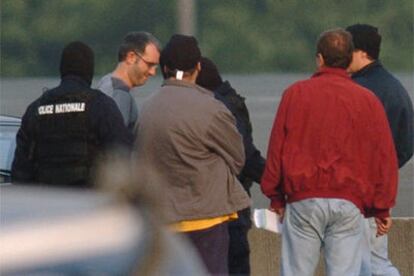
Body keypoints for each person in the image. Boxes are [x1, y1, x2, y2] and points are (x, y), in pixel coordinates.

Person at [260, 29, 398, 276]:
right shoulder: (368, 100)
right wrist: (382, 207)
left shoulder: (295, 94)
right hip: (349, 201)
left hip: (303, 200)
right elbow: (384, 157)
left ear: (320, 59)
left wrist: (276, 197)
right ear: (348, 59)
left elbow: (277, 149)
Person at [134, 34, 250, 275]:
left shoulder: (146, 110)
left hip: (163, 220)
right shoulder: (211, 108)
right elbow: (238, 158)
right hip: (207, 220)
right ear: (198, 67)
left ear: (165, 68)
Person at [11, 41, 132, 187]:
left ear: (62, 69)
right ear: (89, 71)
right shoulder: (102, 106)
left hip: (43, 205)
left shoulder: (35, 110)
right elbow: (121, 159)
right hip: (88, 205)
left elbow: (20, 173)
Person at [346, 23, 414, 276]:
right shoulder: (393, 87)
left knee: (362, 264)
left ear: (361, 52)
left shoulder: (358, 90)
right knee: (375, 260)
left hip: (354, 191)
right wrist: (383, 173)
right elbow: (405, 145)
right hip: (378, 189)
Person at [196, 57, 265, 275]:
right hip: (233, 202)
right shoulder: (230, 102)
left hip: (224, 206)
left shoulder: (215, 107)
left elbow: (244, 155)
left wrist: (276, 183)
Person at [97, 31, 161, 132]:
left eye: (155, 67)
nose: (153, 72)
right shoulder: (120, 93)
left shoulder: (105, 82)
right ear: (131, 57)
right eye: (149, 64)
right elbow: (116, 142)